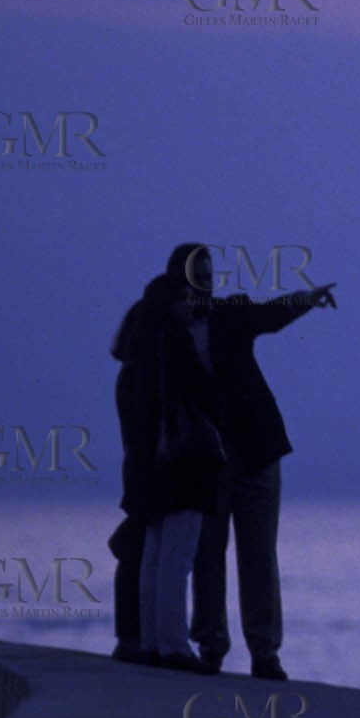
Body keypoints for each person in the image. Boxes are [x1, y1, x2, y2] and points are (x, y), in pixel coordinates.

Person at [169, 243, 336, 680]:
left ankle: (265, 652)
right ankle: (211, 646)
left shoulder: (230, 313)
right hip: (207, 460)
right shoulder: (168, 333)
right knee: (208, 554)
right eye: (198, 277)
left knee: (258, 554)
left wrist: (306, 298)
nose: (207, 284)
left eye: (210, 276)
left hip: (257, 450)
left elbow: (269, 316)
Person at [110, 271, 224, 671]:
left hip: (148, 473)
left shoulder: (135, 360)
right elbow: (207, 396)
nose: (194, 305)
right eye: (186, 298)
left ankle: (152, 641)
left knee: (154, 558)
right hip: (185, 468)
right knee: (178, 557)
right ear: (172, 304)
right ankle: (174, 645)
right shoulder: (176, 346)